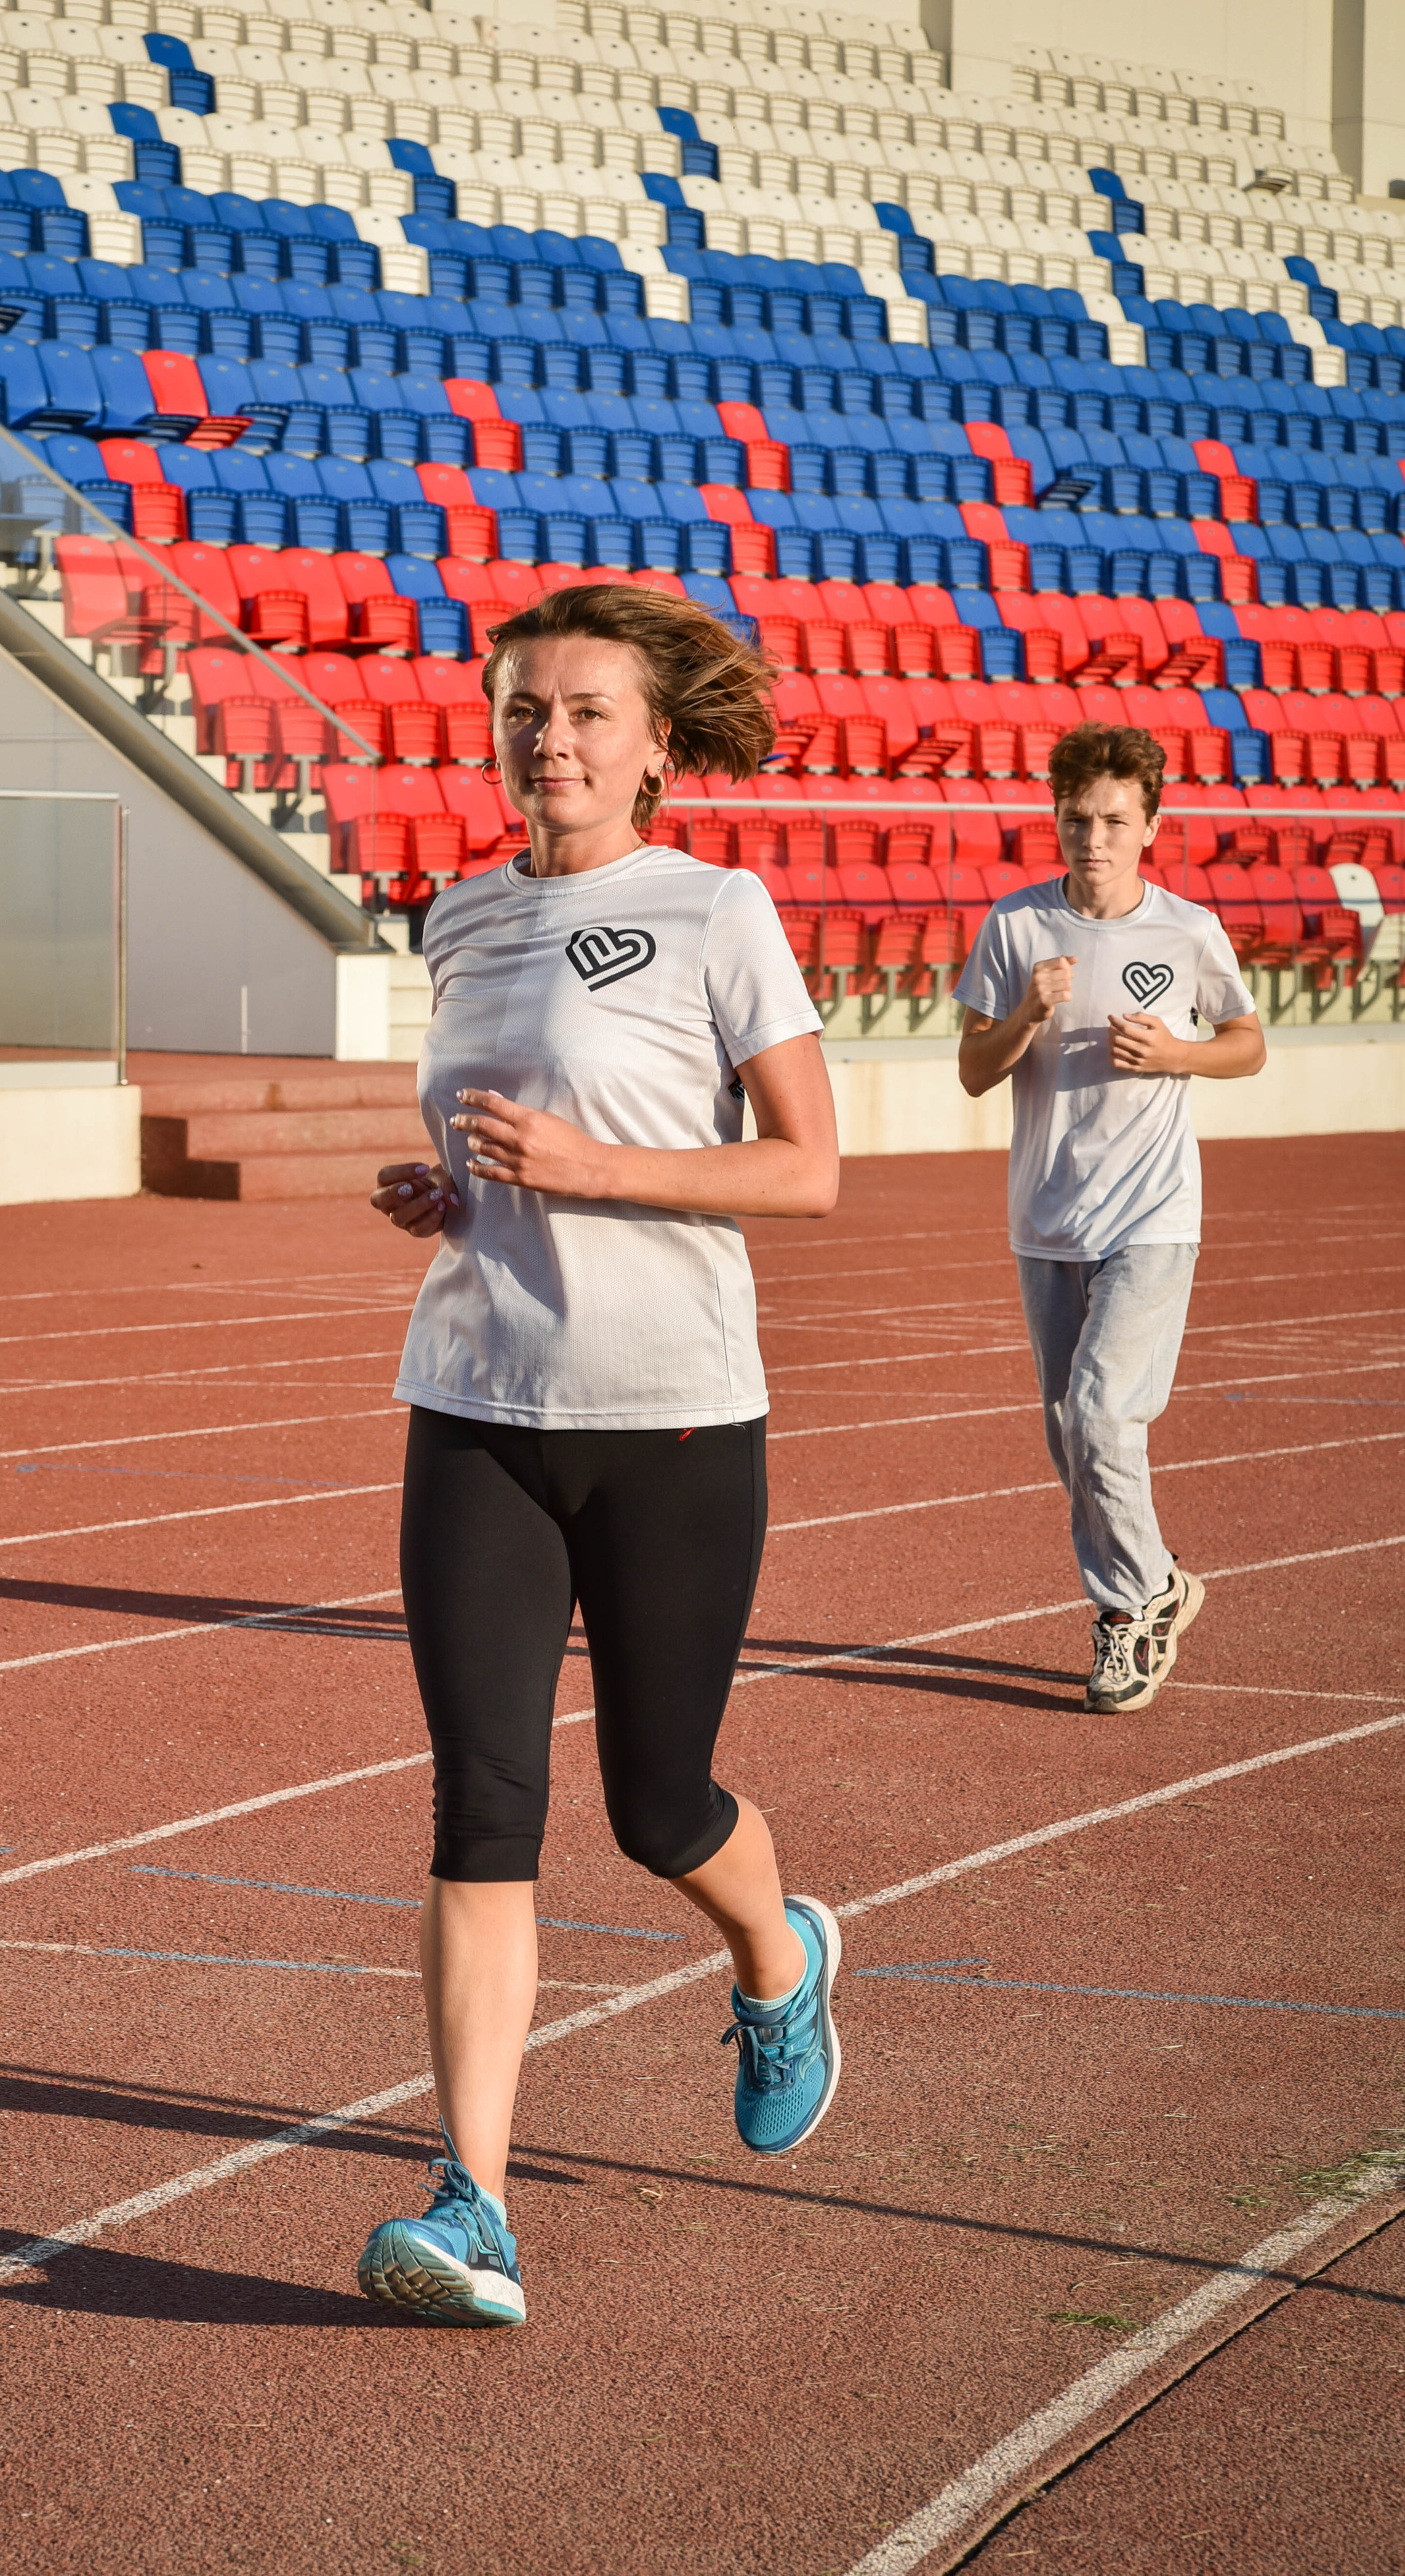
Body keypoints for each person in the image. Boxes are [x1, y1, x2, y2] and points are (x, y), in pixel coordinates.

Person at [357, 583, 843, 2327]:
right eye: (521, 708)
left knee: (654, 1805)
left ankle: (777, 1960)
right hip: (477, 1407)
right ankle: (468, 2199)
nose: (546, 738)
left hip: (674, 1420)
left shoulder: (716, 910)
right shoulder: (458, 912)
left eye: (581, 712)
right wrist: (454, 1193)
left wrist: (594, 1169)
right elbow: (504, 1149)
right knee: (482, 1805)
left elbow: (805, 1170)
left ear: (654, 746)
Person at [955, 722, 1265, 1715]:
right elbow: (972, 1070)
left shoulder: (1185, 931)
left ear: (1151, 824)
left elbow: (1247, 1044)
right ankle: (1162, 1581)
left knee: (1098, 1412)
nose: (1094, 838)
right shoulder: (1014, 929)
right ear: (1055, 815)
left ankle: (1128, 1612)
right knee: (1068, 1435)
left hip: (1153, 1211)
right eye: (1078, 818)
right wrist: (1026, 1017)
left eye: (1115, 821)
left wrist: (1178, 1054)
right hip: (1047, 1216)